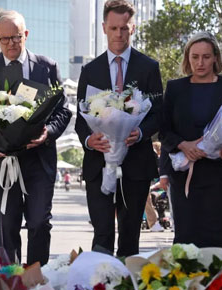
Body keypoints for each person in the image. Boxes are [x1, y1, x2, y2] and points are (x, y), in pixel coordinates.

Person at [0, 10, 71, 265]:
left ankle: (38, 279)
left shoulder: (47, 67)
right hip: (0, 161)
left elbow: (63, 109)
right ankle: (11, 283)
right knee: (7, 226)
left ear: (26, 34)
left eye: (16, 37)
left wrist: (49, 132)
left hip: (39, 158)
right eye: (5, 39)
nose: (11, 43)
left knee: (39, 222)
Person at [75, 0, 163, 257]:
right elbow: (81, 119)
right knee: (102, 232)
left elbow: (159, 112)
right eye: (113, 28)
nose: (118, 34)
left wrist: (142, 132)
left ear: (132, 28)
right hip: (98, 164)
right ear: (104, 28)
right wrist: (90, 140)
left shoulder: (149, 68)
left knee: (130, 232)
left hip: (136, 164)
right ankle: (99, 289)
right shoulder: (90, 70)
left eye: (124, 28)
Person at [160, 31, 222, 248]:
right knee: (186, 243)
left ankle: (219, 283)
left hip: (220, 179)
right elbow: (164, 129)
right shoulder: (175, 88)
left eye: (206, 56)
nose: (200, 62)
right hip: (185, 179)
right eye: (195, 56)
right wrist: (183, 145)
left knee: (219, 242)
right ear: (187, 58)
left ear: (216, 57)